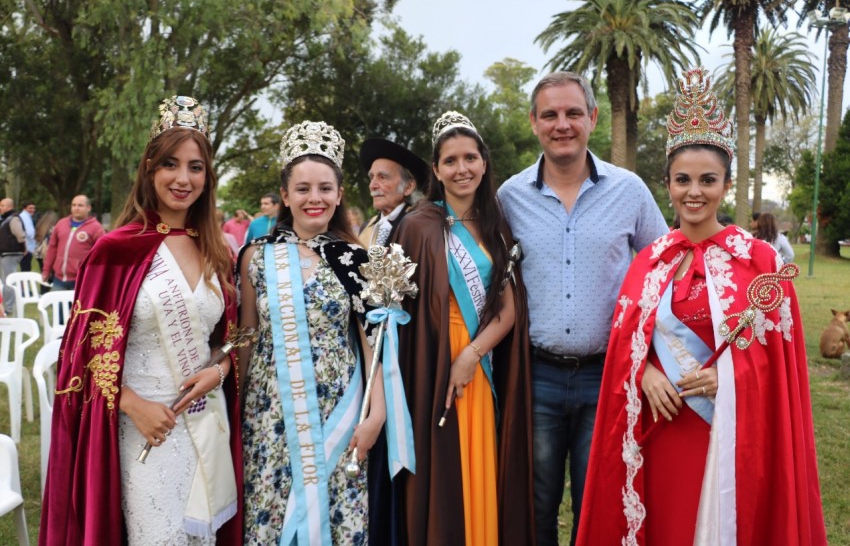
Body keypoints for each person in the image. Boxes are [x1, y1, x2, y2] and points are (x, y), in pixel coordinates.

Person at [577, 68, 826, 545]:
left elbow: (783, 368)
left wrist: (730, 376)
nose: (695, 192)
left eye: (707, 180)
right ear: (667, 184)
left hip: (727, 427)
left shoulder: (760, 262)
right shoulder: (650, 261)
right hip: (662, 425)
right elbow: (626, 342)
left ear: (726, 186)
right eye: (683, 180)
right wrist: (646, 371)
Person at [40, 95, 243, 545]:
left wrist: (219, 369)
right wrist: (132, 404)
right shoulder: (116, 250)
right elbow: (78, 355)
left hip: (204, 425)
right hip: (139, 428)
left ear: (208, 176)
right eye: (170, 164)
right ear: (150, 168)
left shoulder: (217, 251)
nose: (183, 178)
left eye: (196, 166)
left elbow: (229, 340)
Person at [497, 71, 668, 546]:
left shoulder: (629, 191)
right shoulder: (509, 198)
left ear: (592, 117)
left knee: (601, 503)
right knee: (537, 503)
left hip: (609, 374)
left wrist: (656, 356)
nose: (562, 124)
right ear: (533, 122)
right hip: (537, 377)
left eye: (573, 113)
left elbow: (665, 268)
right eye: (550, 114)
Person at [389, 111, 534, 545]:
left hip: (479, 360)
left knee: (480, 464)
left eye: (470, 157)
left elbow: (509, 311)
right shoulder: (416, 225)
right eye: (450, 160)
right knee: (442, 466)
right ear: (436, 170)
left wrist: (471, 355)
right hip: (429, 360)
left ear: (484, 163)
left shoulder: (496, 226)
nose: (461, 168)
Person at [238, 120, 385, 545]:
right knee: (272, 515)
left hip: (338, 413)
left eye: (325, 188)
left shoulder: (358, 259)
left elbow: (372, 344)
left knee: (336, 518)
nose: (314, 198)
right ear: (285, 195)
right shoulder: (254, 258)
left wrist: (376, 415)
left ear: (339, 195)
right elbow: (247, 338)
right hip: (270, 416)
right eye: (302, 189)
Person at [357, 138, 429, 247]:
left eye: (382, 177)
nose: (372, 185)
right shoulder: (365, 228)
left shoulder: (421, 226)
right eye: (371, 178)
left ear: (408, 187)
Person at [41, 195, 106, 291]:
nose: (76, 208)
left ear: (88, 208)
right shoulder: (61, 224)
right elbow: (52, 248)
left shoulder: (96, 228)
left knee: (80, 306)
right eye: (74, 205)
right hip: (59, 279)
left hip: (82, 279)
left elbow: (102, 254)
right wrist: (46, 270)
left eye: (80, 205)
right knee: (59, 306)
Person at [0, 198, 27, 315]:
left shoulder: (14, 219)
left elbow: (20, 235)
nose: (0, 208)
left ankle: (8, 308)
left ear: (9, 207)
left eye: (2, 205)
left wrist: (24, 248)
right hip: (5, 253)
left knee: (8, 281)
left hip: (11, 253)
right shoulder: (5, 219)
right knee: (5, 280)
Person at [19, 201, 37, 272]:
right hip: (27, 247)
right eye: (30, 208)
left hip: (26, 246)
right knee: (26, 269)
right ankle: (23, 283)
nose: (33, 210)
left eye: (34, 208)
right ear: (24, 208)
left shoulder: (25, 216)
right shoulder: (25, 217)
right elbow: (30, 232)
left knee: (25, 268)